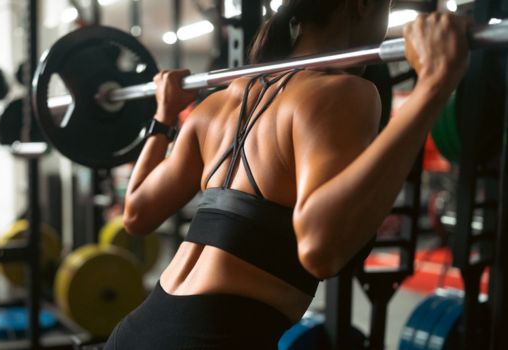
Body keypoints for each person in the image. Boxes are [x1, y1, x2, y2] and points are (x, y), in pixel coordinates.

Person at [104, 0, 469, 348]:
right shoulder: (342, 92)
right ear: (361, 5)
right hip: (212, 339)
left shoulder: (216, 104)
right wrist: (433, 86)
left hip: (137, 332)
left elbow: (136, 213)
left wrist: (164, 116)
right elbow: (320, 248)